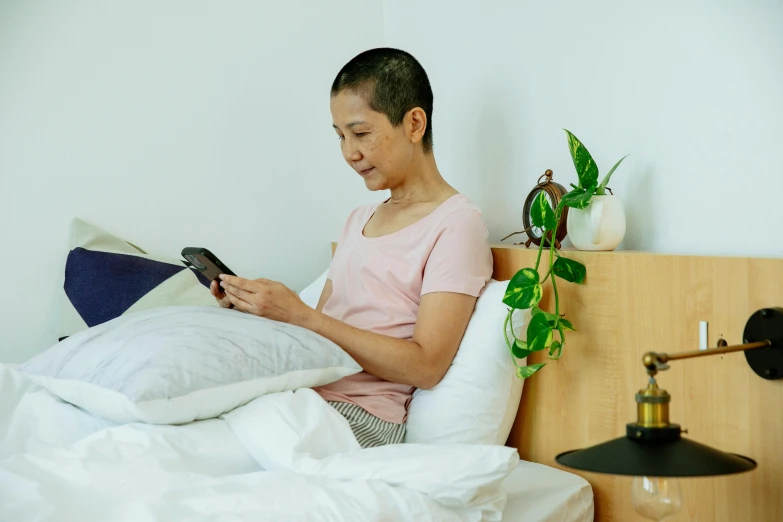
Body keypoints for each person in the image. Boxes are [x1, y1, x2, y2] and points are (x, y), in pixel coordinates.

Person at [212, 48, 492, 448]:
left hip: (363, 418)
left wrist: (303, 316)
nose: (349, 153)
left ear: (414, 123)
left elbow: (427, 365)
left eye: (361, 133)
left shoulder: (456, 223)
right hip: (306, 399)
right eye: (340, 136)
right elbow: (319, 338)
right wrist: (260, 310)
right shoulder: (358, 219)